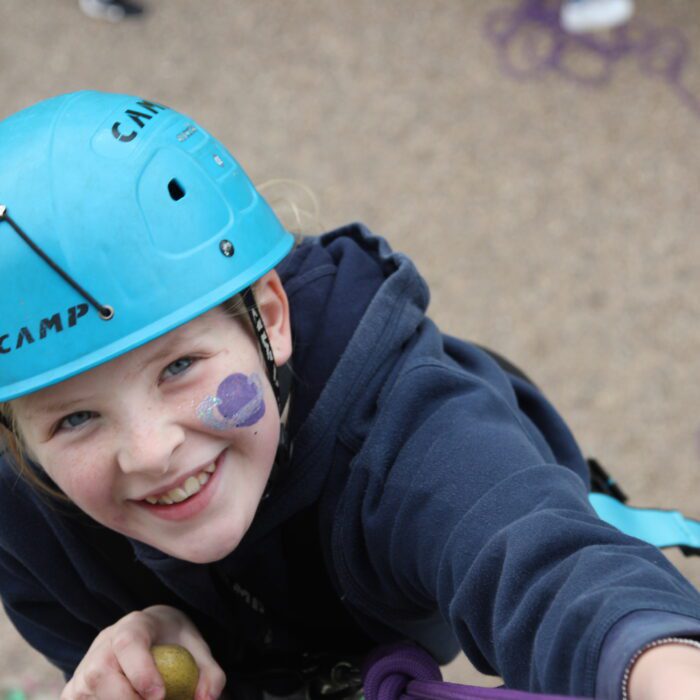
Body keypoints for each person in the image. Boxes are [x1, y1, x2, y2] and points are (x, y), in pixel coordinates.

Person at [1, 91, 700, 700]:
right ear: (16, 436)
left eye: (179, 366)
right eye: (77, 417)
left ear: (268, 319)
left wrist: (657, 665)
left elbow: (535, 556)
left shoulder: (405, 428)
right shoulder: (22, 518)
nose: (151, 452)